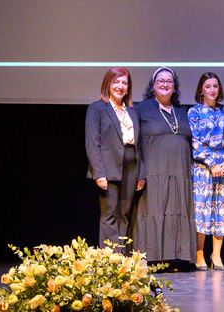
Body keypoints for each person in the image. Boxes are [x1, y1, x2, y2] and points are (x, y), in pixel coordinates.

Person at [132, 67, 196, 265]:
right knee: (153, 212)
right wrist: (139, 171)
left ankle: (178, 258)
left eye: (169, 81)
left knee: (178, 210)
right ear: (153, 86)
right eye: (160, 81)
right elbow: (133, 142)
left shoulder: (183, 112)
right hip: (153, 172)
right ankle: (151, 259)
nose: (165, 85)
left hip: (180, 172)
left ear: (175, 87)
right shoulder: (141, 108)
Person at [85, 67, 144, 251]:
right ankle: (110, 259)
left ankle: (122, 260)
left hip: (131, 165)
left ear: (128, 87)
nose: (120, 86)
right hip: (108, 167)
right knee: (109, 214)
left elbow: (139, 144)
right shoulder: (97, 108)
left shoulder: (132, 111)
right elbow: (92, 142)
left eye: (124, 83)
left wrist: (140, 174)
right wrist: (98, 173)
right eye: (116, 82)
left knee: (124, 214)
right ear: (108, 84)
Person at [188, 72, 224, 270]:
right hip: (203, 169)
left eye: (215, 86)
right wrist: (211, 163)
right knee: (202, 212)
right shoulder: (194, 112)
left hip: (223, 167)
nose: (212, 90)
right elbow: (195, 142)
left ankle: (216, 255)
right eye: (208, 86)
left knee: (221, 211)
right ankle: (200, 255)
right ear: (201, 90)